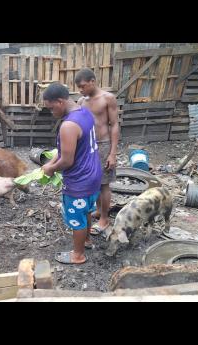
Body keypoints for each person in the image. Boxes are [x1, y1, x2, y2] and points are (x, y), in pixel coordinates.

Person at [41, 82, 102, 264]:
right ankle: (87, 240)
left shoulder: (68, 126)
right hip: (93, 174)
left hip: (79, 180)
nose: (52, 113)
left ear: (60, 102)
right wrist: (51, 162)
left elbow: (67, 161)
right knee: (87, 211)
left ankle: (78, 254)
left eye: (51, 109)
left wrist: (51, 169)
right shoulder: (84, 113)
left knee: (76, 218)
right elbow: (65, 152)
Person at [75, 68, 120, 238]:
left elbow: (114, 124)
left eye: (83, 86)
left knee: (104, 183)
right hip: (87, 146)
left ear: (92, 81)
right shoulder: (81, 101)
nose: (81, 90)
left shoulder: (107, 98)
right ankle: (99, 210)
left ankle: (104, 218)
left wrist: (113, 153)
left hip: (103, 145)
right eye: (79, 87)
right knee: (92, 182)